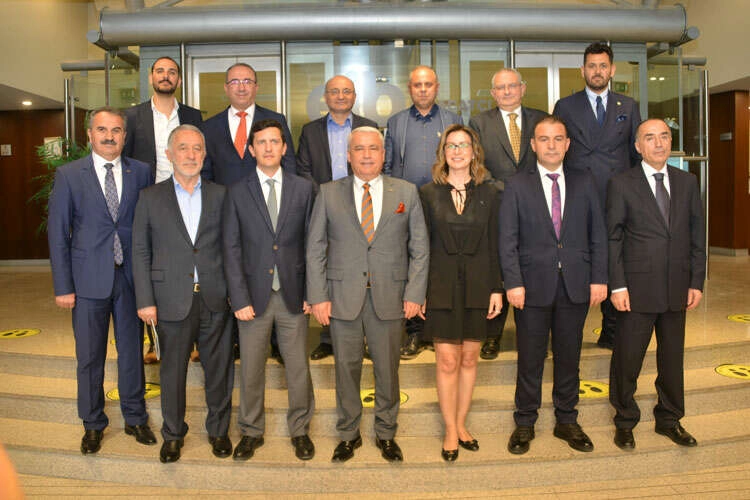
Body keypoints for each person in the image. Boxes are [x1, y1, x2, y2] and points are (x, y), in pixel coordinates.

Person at [306, 126, 429, 463]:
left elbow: (420, 249)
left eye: (373, 148)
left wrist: (415, 292)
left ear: (383, 154)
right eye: (359, 149)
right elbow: (315, 249)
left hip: (390, 297)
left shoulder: (406, 192)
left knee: (387, 370)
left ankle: (386, 433)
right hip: (341, 298)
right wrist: (318, 296)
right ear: (349, 155)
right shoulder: (328, 193)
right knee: (346, 370)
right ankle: (348, 434)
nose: (366, 155)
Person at [47, 106, 156, 455]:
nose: (110, 136)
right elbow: (57, 233)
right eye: (103, 130)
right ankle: (93, 423)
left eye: (116, 130)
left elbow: (148, 226)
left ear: (125, 135)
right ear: (90, 135)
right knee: (90, 356)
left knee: (131, 353)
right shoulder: (69, 175)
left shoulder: (141, 171)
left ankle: (135, 417)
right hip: (87, 282)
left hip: (130, 280)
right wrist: (63, 286)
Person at [499, 116, 608, 455]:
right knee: (530, 358)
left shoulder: (584, 181)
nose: (551, 145)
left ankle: (567, 419)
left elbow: (598, 234)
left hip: (576, 284)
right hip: (530, 287)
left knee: (569, 356)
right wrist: (513, 282)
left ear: (567, 144)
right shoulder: (516, 184)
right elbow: (507, 239)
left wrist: (599, 278)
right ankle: (525, 421)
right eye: (544, 139)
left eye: (558, 138)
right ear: (533, 145)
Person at [132, 124, 234, 463]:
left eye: (196, 149)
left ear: (204, 155)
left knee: (219, 371)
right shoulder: (150, 197)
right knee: (172, 372)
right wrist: (145, 300)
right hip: (169, 300)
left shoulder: (221, 195)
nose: (190, 155)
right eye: (183, 148)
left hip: (215, 297)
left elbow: (232, 248)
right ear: (169, 154)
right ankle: (173, 435)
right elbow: (140, 252)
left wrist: (235, 293)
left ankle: (219, 431)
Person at [607, 118, 706, 451]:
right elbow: (613, 238)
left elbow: (697, 234)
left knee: (672, 359)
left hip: (677, 287)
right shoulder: (621, 184)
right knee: (627, 359)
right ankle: (625, 420)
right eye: (650, 138)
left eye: (664, 136)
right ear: (638, 147)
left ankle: (669, 419)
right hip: (636, 290)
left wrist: (696, 280)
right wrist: (617, 285)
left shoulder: (687, 182)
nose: (659, 143)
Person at [223, 120, 316, 462]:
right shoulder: (236, 191)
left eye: (274, 141)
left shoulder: (304, 188)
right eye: (261, 142)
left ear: (284, 147)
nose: (268, 148)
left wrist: (312, 292)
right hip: (252, 297)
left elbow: (313, 243)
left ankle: (300, 430)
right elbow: (230, 248)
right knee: (251, 368)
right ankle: (251, 431)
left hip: (294, 294)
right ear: (251, 149)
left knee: (298, 368)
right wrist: (238, 297)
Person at [419, 124, 503, 461]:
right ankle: (450, 429)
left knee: (469, 358)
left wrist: (497, 288)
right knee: (447, 360)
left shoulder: (491, 192)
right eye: (450, 145)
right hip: (439, 284)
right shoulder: (427, 193)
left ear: (474, 151)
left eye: (463, 145)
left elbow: (495, 243)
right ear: (443, 153)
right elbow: (421, 247)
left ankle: (462, 422)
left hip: (479, 284)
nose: (457, 151)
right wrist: (419, 291)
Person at [553, 42, 641, 350]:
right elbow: (557, 152)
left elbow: (635, 153)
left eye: (603, 66)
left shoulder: (628, 106)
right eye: (592, 66)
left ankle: (611, 329)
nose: (597, 71)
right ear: (583, 70)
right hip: (579, 198)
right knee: (579, 260)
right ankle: (568, 331)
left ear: (612, 70)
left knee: (615, 260)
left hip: (618, 197)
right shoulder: (565, 106)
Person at [123, 55, 203, 365]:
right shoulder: (134, 117)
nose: (165, 76)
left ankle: (194, 337)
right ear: (151, 77)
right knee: (154, 271)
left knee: (190, 267)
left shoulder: (193, 116)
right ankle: (154, 341)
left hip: (189, 199)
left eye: (171, 72)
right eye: (160, 71)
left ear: (179, 80)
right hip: (151, 203)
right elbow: (127, 162)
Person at [296, 75, 377, 361]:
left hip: (365, 207)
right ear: (326, 96)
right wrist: (328, 199)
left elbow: (380, 162)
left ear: (354, 96)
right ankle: (328, 338)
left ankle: (365, 337)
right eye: (334, 91)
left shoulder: (370, 126)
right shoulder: (310, 131)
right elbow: (303, 170)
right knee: (329, 271)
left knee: (363, 270)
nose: (341, 96)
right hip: (326, 209)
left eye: (346, 91)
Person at [384, 65, 462, 360]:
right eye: (418, 85)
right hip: (407, 205)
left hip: (445, 203)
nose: (423, 89)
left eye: (428, 84)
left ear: (437, 87)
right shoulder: (396, 122)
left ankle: (438, 329)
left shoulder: (452, 120)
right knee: (412, 265)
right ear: (410, 88)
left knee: (442, 265)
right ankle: (415, 331)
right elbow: (388, 166)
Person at [469, 68, 547, 360]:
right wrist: (506, 188)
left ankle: (535, 335)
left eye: (512, 86)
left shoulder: (541, 120)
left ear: (522, 88)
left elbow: (549, 158)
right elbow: (477, 164)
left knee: (535, 268)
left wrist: (528, 190)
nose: (506, 92)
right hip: (497, 204)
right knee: (499, 269)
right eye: (500, 88)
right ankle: (493, 335)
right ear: (493, 93)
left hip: (536, 206)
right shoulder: (479, 123)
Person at [201, 62, 297, 186]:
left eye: (247, 81)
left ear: (256, 87)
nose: (241, 88)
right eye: (234, 82)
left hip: (266, 196)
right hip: (224, 197)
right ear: (226, 88)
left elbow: (289, 164)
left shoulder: (276, 120)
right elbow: (205, 174)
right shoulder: (209, 127)